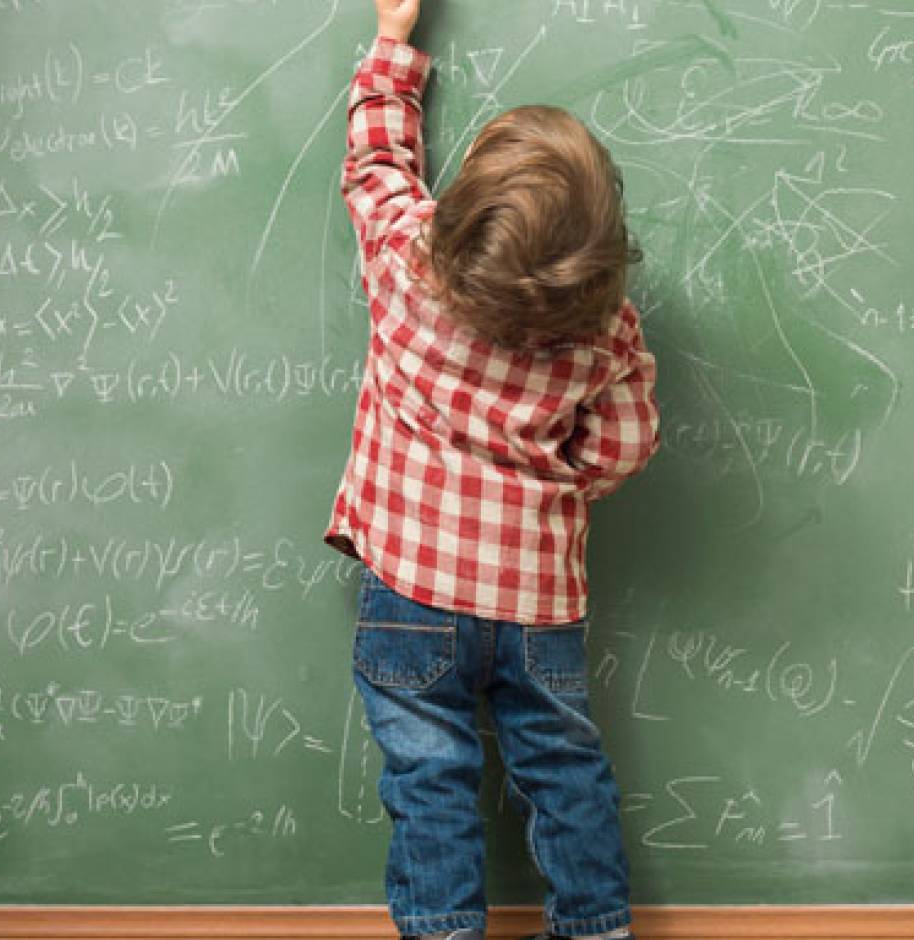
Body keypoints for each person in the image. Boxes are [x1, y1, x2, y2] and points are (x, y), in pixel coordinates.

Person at [322, 1, 657, 938]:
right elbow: (625, 445)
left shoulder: (404, 260)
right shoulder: (606, 332)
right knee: (564, 768)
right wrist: (559, 485)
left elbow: (378, 169)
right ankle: (593, 926)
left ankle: (442, 931)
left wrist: (393, 43)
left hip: (411, 589)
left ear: (463, 212)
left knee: (428, 778)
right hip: (538, 601)